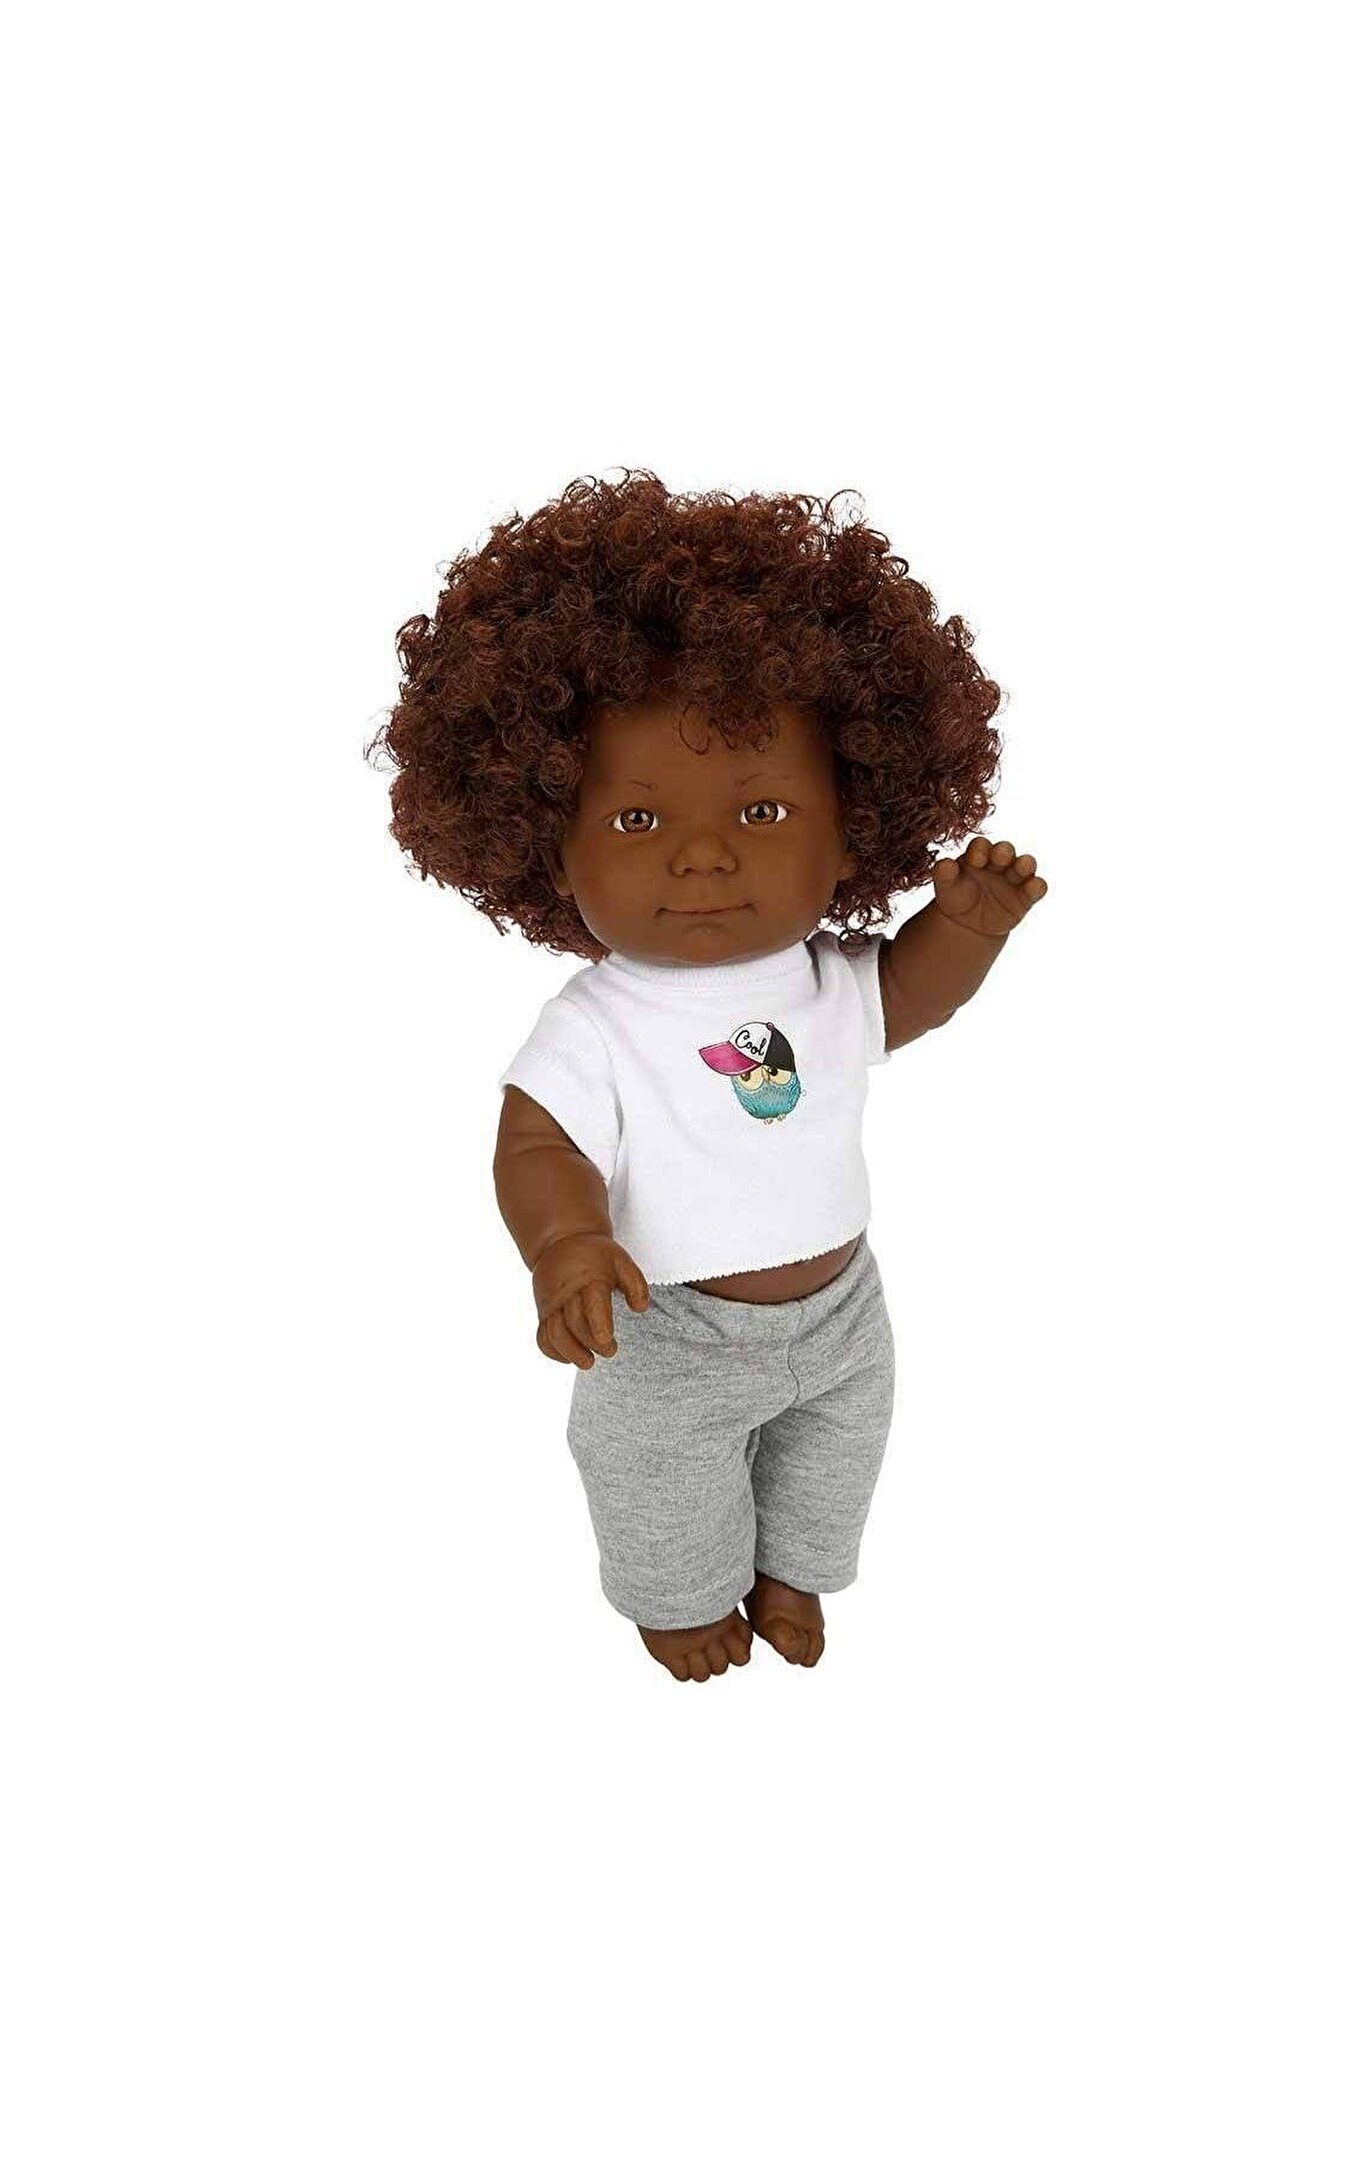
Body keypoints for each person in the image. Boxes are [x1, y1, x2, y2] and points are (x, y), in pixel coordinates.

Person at [370, 469, 1047, 1680]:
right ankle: (680, 1601)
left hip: (845, 1310)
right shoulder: (599, 1023)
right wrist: (566, 1244)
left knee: (835, 1458)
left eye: (764, 811)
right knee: (656, 1479)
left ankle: (794, 1572)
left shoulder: (828, 978)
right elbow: (538, 1141)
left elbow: (910, 997)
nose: (701, 856)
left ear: (851, 828)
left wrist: (970, 929)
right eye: (637, 822)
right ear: (548, 846)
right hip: (669, 1326)